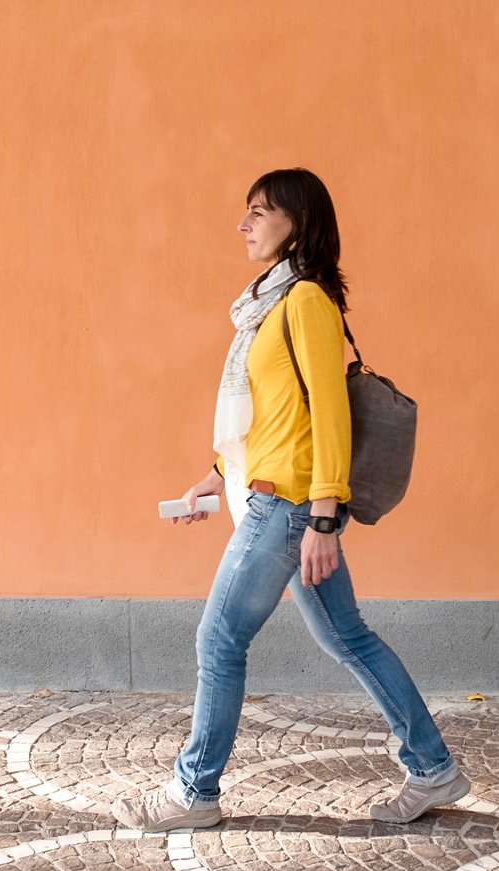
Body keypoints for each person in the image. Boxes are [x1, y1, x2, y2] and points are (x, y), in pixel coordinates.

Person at [112, 168, 468, 832]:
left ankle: (195, 792)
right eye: (246, 212)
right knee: (348, 637)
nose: (244, 224)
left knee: (219, 639)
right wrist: (216, 476)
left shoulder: (304, 301)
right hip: (271, 497)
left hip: (290, 508)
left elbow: (330, 415)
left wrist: (326, 516)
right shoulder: (265, 304)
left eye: (259, 212)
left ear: (297, 224)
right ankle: (433, 765)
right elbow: (273, 416)